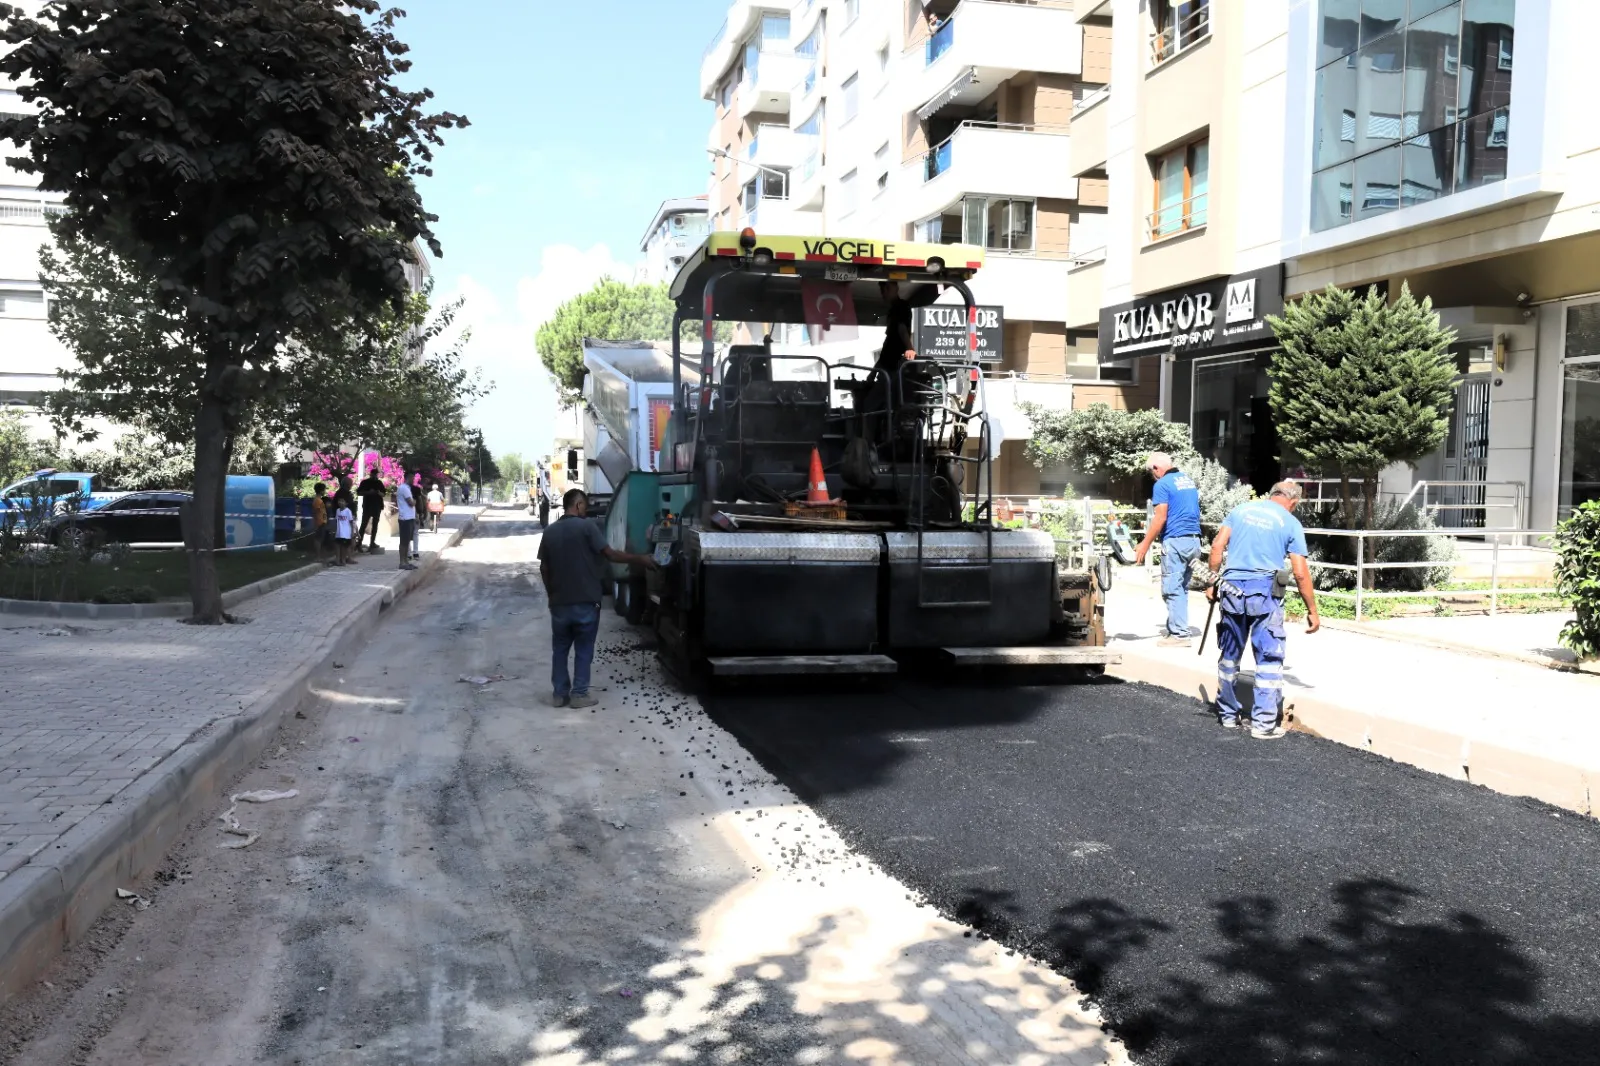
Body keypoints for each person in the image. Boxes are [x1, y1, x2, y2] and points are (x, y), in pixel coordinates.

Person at [1206, 480, 1321, 739]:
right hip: (1264, 594)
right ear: (1293, 502)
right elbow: (1300, 573)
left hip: (1231, 588)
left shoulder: (1241, 510)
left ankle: (1227, 716)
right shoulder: (1290, 522)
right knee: (1268, 658)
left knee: (1229, 653)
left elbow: (1216, 547)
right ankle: (1263, 725)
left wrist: (1212, 581)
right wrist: (1312, 609)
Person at [536, 488, 656, 708]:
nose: (586, 511)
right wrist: (640, 559)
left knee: (560, 649)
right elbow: (610, 554)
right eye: (585, 506)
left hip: (560, 603)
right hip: (586, 601)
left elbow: (544, 567)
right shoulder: (587, 527)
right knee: (583, 648)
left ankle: (559, 694)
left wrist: (551, 594)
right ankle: (579, 695)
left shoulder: (550, 531)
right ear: (578, 505)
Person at [1133, 452, 1204, 646]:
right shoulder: (1187, 481)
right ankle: (1176, 627)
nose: (1153, 476)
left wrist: (1144, 544)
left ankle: (1179, 635)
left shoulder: (1162, 484)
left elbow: (1160, 517)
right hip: (1194, 541)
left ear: (1156, 468)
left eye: (1152, 472)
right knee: (1181, 587)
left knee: (1171, 589)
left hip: (1176, 541)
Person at [357, 468, 386, 553]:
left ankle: (372, 543)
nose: (375, 476)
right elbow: (359, 492)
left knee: (375, 526)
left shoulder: (379, 483)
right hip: (367, 506)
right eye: (374, 474)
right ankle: (359, 544)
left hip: (377, 506)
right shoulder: (365, 482)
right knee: (363, 525)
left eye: (376, 474)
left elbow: (383, 493)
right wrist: (369, 492)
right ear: (371, 474)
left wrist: (378, 493)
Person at [394, 469, 418, 571]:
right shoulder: (404, 488)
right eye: (413, 478)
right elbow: (411, 503)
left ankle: (406, 562)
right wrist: (415, 501)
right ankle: (402, 562)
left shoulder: (407, 488)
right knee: (404, 541)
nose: (414, 480)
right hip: (405, 518)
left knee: (407, 541)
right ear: (408, 478)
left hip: (409, 518)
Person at [310, 482, 331, 566]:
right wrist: (316, 523)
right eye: (324, 490)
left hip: (323, 522)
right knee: (318, 540)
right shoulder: (317, 501)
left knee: (321, 539)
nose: (325, 491)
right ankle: (317, 556)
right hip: (320, 522)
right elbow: (316, 512)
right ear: (321, 490)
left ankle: (322, 556)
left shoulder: (320, 500)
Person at [334, 496, 354, 567]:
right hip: (339, 532)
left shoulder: (348, 511)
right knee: (337, 546)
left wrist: (352, 532)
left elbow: (351, 522)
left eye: (342, 501)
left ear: (346, 503)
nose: (340, 502)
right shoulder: (337, 510)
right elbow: (337, 521)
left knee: (344, 547)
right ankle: (337, 560)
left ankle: (343, 560)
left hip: (346, 533)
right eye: (339, 501)